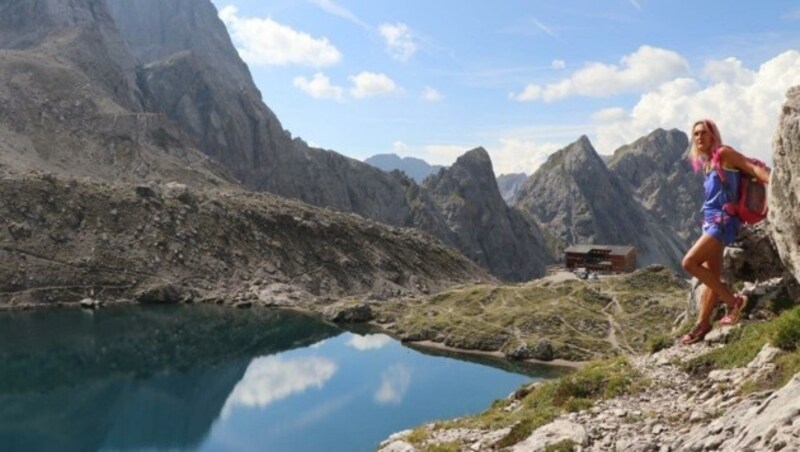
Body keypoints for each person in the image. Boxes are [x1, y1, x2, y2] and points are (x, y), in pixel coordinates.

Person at [680, 119, 771, 345]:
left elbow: (752, 168)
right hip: (710, 221)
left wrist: (775, 184)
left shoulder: (724, 154)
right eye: (695, 134)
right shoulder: (709, 163)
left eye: (703, 133)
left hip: (722, 222)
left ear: (713, 135)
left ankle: (734, 301)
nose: (699, 138)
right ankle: (702, 325)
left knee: (689, 263)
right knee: (713, 276)